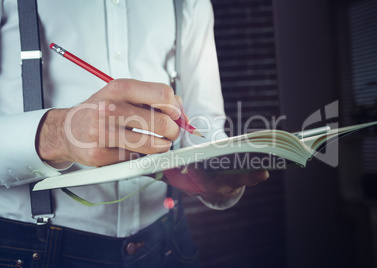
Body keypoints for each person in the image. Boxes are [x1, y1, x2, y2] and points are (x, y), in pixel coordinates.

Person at [0, 0, 269, 266]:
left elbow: (205, 128)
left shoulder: (191, 3)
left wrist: (216, 175)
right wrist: (59, 134)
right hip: (37, 248)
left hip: (169, 241)